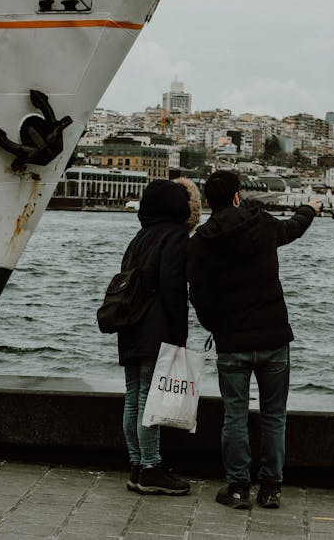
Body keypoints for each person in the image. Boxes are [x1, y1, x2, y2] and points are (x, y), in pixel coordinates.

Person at [187, 170, 321, 510]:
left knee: (235, 415)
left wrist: (218, 327)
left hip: (232, 342)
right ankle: (271, 489)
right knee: (275, 415)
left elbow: (198, 296)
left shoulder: (202, 241)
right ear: (236, 196)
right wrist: (310, 209)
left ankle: (237, 488)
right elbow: (292, 229)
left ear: (207, 202)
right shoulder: (260, 222)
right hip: (274, 337)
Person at [117, 177, 201, 496]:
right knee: (149, 399)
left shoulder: (140, 237)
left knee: (133, 394)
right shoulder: (176, 235)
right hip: (156, 327)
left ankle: (137, 464)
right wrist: (179, 333)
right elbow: (173, 287)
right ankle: (151, 468)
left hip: (130, 325)